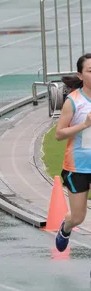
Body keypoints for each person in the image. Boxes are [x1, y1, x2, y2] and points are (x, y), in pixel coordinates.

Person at [55, 53, 91, 252]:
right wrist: (84, 125)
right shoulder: (73, 101)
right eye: (90, 71)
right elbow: (59, 134)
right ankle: (66, 227)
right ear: (80, 75)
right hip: (78, 166)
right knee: (78, 217)